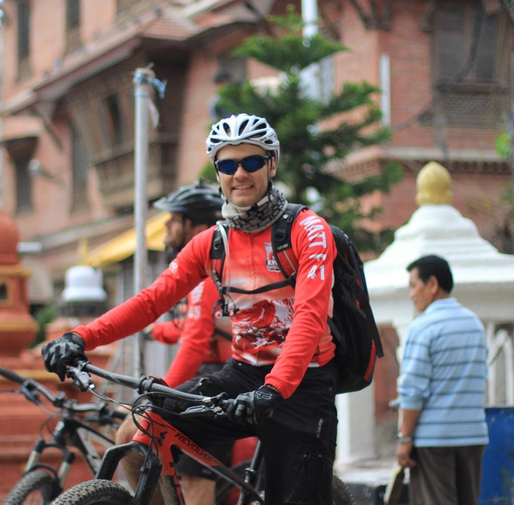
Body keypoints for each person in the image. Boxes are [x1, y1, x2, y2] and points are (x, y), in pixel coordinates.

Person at [43, 113, 338, 505]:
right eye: (227, 165)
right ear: (218, 171)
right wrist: (80, 336)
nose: (239, 174)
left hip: (303, 383)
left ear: (271, 164)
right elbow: (150, 301)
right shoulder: (212, 243)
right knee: (140, 431)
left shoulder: (308, 230)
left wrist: (275, 389)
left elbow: (309, 315)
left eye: (251, 162)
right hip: (243, 374)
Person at [115, 180, 233, 505]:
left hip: (223, 379)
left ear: (194, 225)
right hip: (211, 373)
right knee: (127, 435)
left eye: (173, 220)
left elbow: (195, 342)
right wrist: (153, 333)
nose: (166, 228)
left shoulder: (209, 272)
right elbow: (189, 328)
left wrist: (161, 392)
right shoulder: (200, 269)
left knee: (195, 480)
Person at [396, 255, 489, 505]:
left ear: (433, 284)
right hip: (473, 436)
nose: (411, 295)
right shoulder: (475, 325)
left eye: (414, 286)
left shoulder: (423, 327)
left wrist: (405, 439)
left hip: (434, 441)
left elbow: (413, 390)